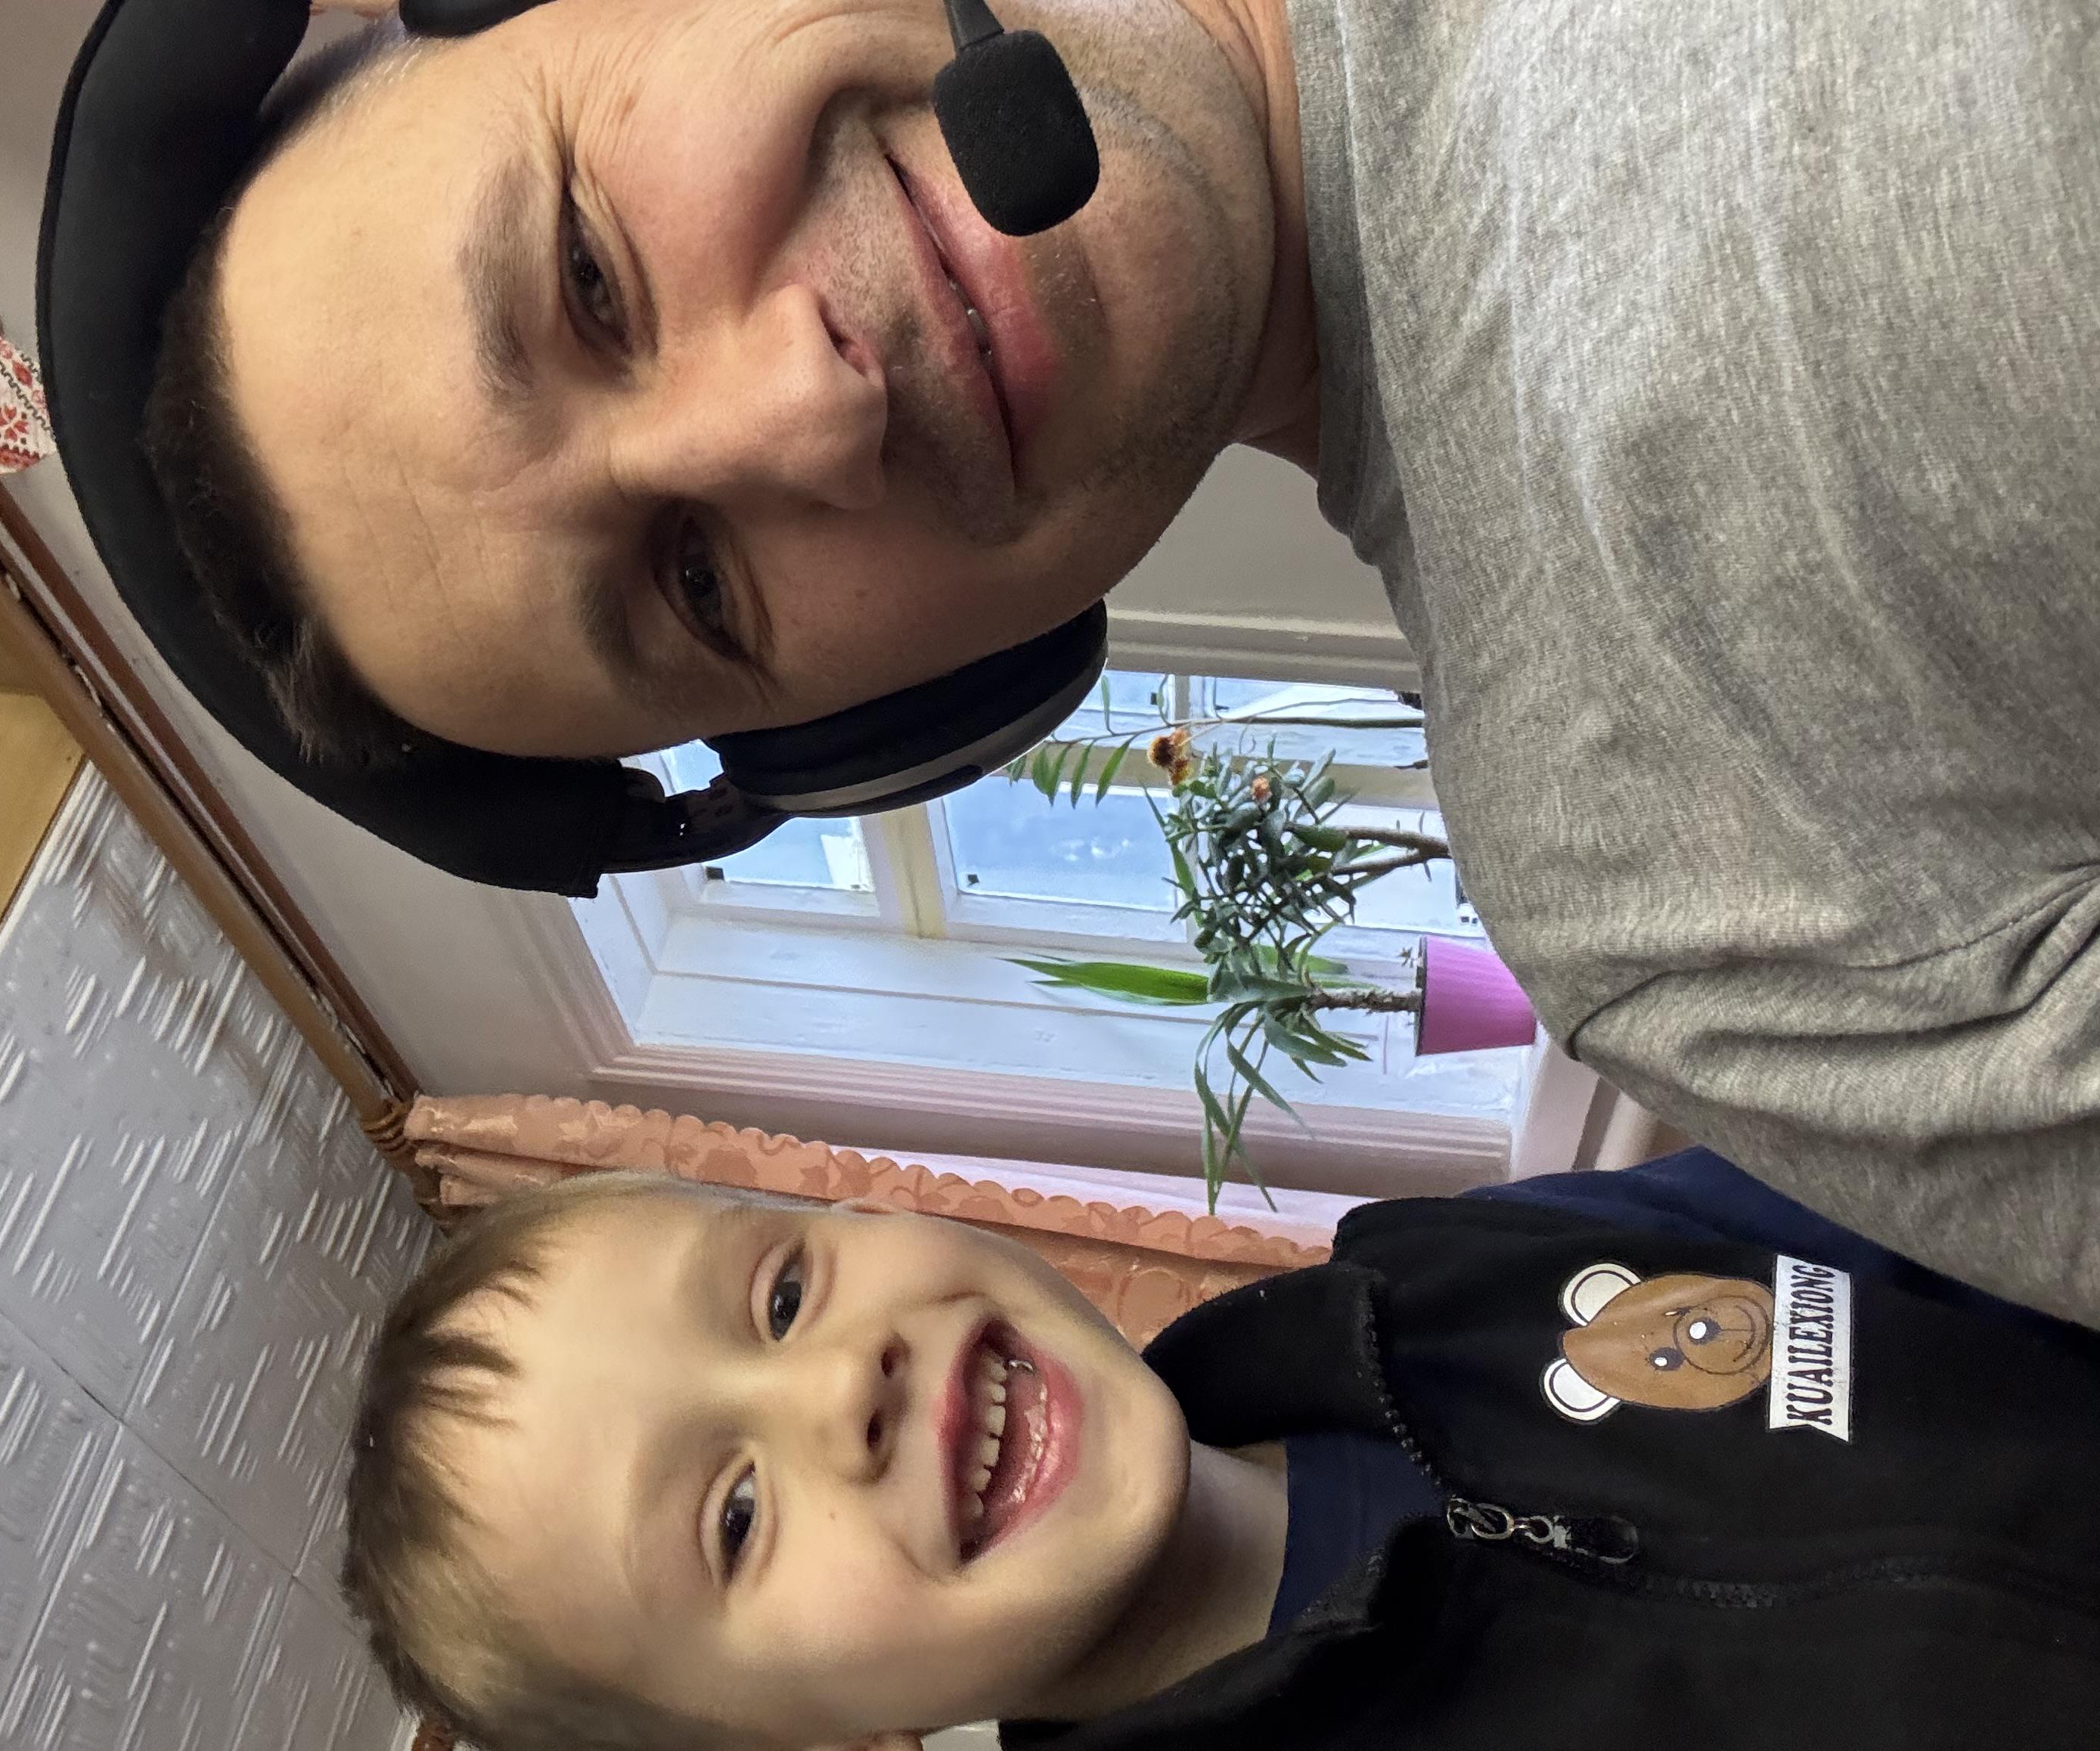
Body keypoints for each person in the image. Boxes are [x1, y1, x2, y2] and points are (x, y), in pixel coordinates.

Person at [147, 0, 2100, 1322]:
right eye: (699, 587)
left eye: (588, 275)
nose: (805, 413)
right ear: (914, 717)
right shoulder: (1669, 886)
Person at [339, 1158, 2100, 1751]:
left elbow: (1944, 1222)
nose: (836, 1392)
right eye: (731, 1517)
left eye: (781, 1290)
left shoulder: (1437, 1271)